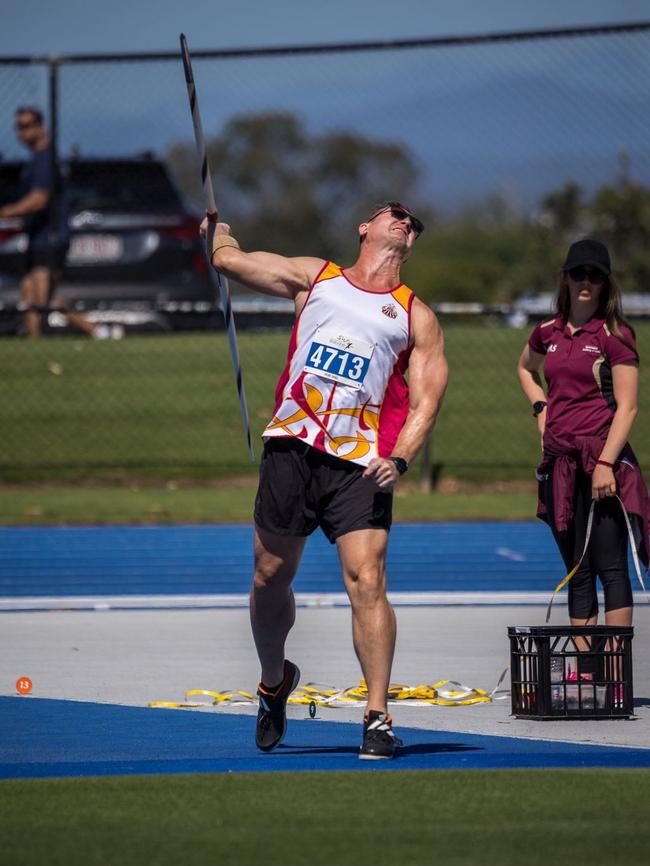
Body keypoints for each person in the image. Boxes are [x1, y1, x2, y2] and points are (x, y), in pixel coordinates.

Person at [201, 201, 448, 759]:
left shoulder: (416, 316)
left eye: (415, 222)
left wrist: (401, 458)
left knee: (368, 580)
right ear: (366, 226)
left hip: (360, 464)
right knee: (270, 575)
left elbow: (427, 402)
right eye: (396, 213)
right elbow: (233, 264)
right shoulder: (318, 277)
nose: (407, 222)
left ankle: (377, 717)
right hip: (292, 446)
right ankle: (273, 680)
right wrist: (217, 237)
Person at [517, 239, 650, 664]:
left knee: (610, 566)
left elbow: (628, 406)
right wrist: (541, 409)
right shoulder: (548, 332)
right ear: (566, 279)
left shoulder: (615, 336)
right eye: (579, 274)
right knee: (577, 569)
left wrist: (607, 463)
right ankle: (586, 672)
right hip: (560, 464)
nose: (586, 282)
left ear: (606, 282)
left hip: (603, 461)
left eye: (595, 275)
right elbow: (525, 368)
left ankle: (613, 671)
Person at [0, 106, 108, 338]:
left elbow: (39, 199)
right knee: (29, 293)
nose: (21, 133)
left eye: (27, 126)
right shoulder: (36, 159)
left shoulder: (45, 159)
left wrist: (5, 212)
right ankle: (35, 344)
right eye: (18, 127)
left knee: (42, 297)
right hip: (37, 235)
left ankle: (99, 331)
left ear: (40, 127)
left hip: (51, 236)